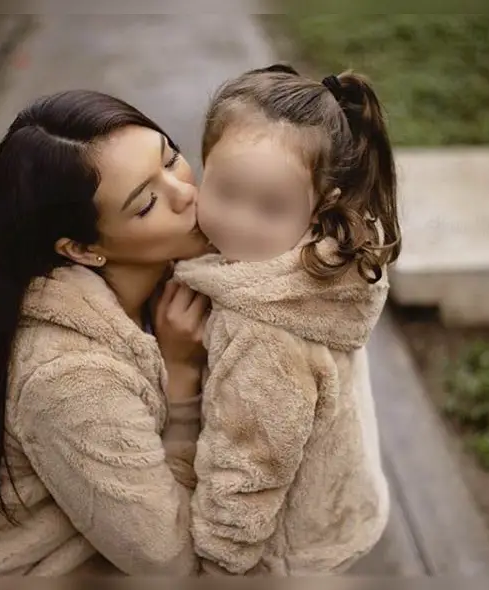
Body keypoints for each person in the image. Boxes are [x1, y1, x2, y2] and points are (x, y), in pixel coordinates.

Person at [0, 90, 211, 576]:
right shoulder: (70, 378)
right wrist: (180, 378)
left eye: (170, 157)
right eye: (147, 203)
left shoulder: (152, 277)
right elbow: (166, 558)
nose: (186, 193)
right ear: (82, 249)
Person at [173, 63, 401, 575]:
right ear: (205, 166)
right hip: (335, 515)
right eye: (225, 192)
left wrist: (220, 566)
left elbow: (248, 473)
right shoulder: (325, 263)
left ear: (322, 204)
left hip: (281, 556)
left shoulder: (263, 330)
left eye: (271, 208)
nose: (240, 221)